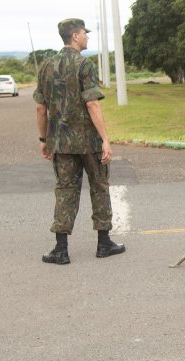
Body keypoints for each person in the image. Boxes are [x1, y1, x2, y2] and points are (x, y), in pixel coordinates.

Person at [34, 17, 124, 265]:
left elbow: (41, 108)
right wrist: (105, 139)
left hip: (61, 143)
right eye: (85, 32)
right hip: (89, 141)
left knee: (65, 190)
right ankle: (104, 243)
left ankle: (60, 249)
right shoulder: (85, 65)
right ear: (75, 36)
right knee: (99, 186)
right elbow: (92, 103)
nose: (87, 36)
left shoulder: (46, 66)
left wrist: (44, 139)